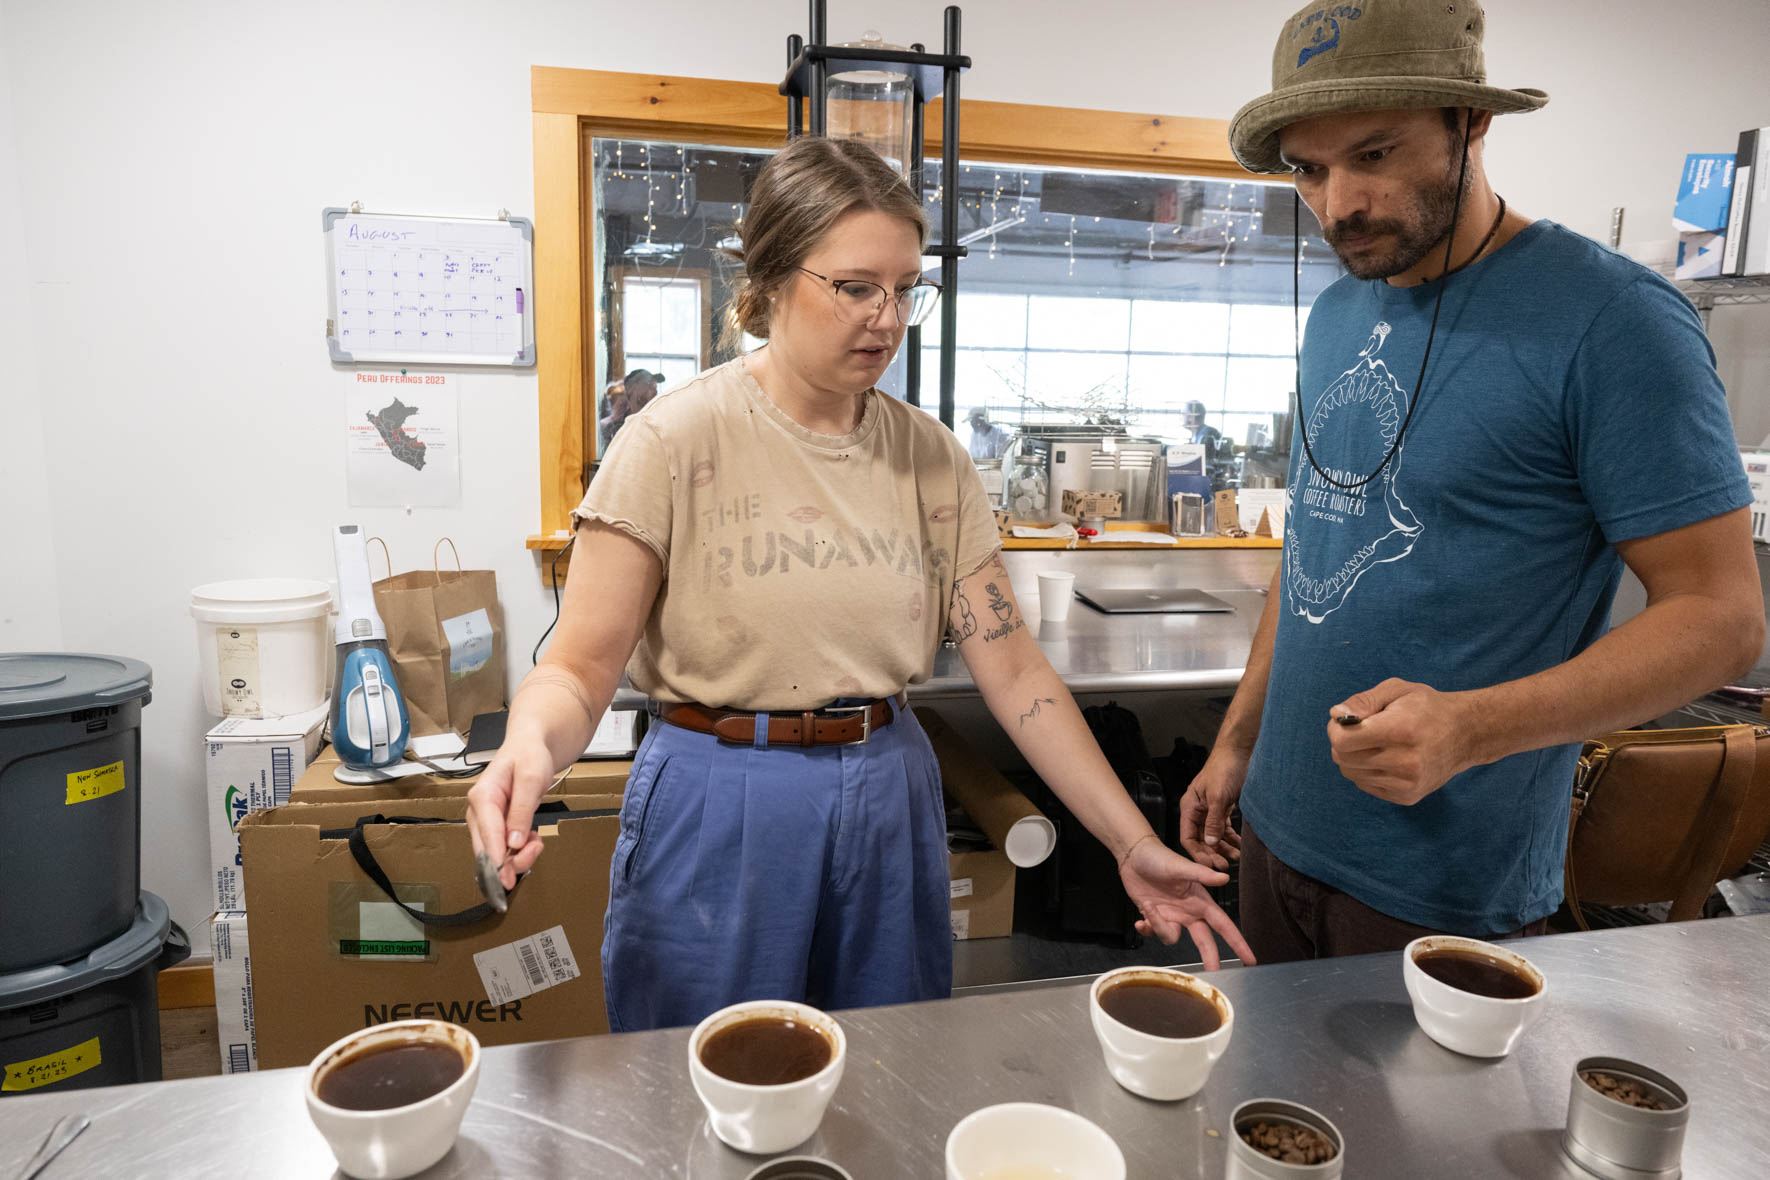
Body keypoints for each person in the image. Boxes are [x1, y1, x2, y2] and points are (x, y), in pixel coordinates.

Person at [468, 135, 1253, 1032]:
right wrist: (528, 748)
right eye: (854, 288)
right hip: (720, 789)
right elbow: (579, 668)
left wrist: (1130, 840)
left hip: (887, 787)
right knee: (698, 1064)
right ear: (771, 281)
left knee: (889, 1058)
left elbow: (1014, 670)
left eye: (905, 289)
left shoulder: (931, 456)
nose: (886, 318)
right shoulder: (672, 441)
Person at [1177, 0, 1762, 964]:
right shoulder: (1337, 313)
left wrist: (1469, 728)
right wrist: (1239, 740)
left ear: (1471, 121)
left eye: (1374, 153)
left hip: (1443, 881)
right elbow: (1317, 542)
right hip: (1278, 834)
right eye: (1309, 170)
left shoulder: (1613, 320)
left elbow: (1723, 618)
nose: (1339, 204)